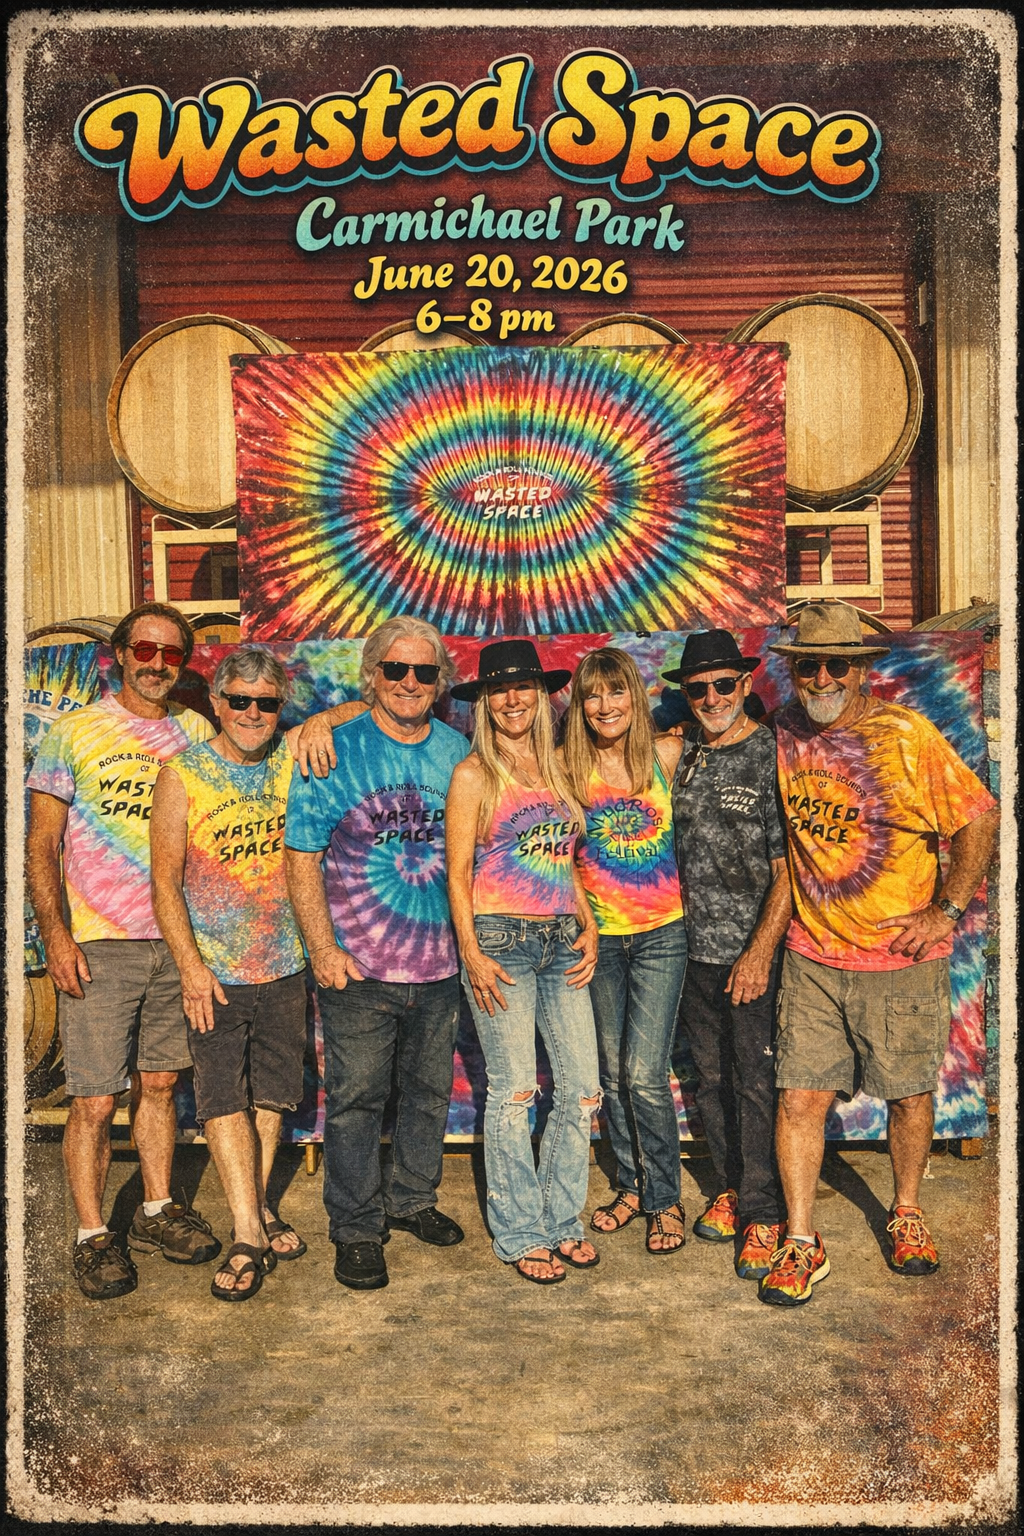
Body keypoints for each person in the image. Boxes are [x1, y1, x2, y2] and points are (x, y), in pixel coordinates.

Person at [760, 601, 999, 1306]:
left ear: (862, 669)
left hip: (899, 957)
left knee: (908, 1094)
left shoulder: (907, 734)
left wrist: (946, 911)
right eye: (809, 665)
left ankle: (906, 1211)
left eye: (838, 664)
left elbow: (977, 817)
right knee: (800, 1098)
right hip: (813, 954)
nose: (823, 677)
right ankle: (802, 1240)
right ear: (794, 671)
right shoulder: (784, 733)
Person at [26, 602, 220, 1300]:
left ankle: (157, 1210)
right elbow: (42, 843)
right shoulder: (74, 733)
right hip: (100, 945)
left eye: (172, 653)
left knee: (162, 1084)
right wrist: (55, 933)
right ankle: (90, 1234)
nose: (158, 662)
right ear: (119, 653)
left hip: (177, 945)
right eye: (145, 648)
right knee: (95, 1100)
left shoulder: (197, 732)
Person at [284, 616, 469, 1292]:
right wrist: (322, 948)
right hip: (357, 969)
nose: (410, 683)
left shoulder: (457, 751)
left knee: (424, 1093)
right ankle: (357, 1227)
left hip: (441, 964)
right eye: (396, 670)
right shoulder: (332, 747)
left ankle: (413, 1199)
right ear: (374, 677)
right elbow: (301, 855)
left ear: (441, 682)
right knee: (358, 1100)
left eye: (424, 672)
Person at [150, 646, 310, 1301]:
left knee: (271, 1097)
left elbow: (368, 704)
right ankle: (248, 1230)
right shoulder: (182, 774)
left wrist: (320, 725)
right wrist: (190, 967)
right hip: (214, 972)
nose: (250, 712)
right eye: (238, 700)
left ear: (280, 708)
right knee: (221, 1100)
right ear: (216, 703)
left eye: (265, 702)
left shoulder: (293, 758)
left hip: (285, 964)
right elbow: (163, 881)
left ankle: (257, 1207)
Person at [447, 640, 602, 1285]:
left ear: (542, 696)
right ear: (485, 702)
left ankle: (564, 1218)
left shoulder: (562, 768)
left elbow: (564, 859)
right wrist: (472, 953)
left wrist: (588, 920)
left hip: (564, 938)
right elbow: (457, 876)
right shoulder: (474, 776)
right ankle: (519, 1230)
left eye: (524, 687)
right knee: (514, 1092)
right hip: (501, 940)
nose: (512, 699)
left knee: (583, 1088)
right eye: (498, 689)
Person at [665, 630, 790, 1281]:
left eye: (723, 684)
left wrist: (759, 952)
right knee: (711, 1081)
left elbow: (787, 867)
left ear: (745, 685)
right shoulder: (682, 754)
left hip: (752, 957)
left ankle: (765, 1214)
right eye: (698, 688)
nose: (711, 696)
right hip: (692, 956)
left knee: (756, 1083)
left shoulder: (772, 755)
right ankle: (736, 1186)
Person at [560, 647, 689, 1255]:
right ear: (580, 705)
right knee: (612, 1074)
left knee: (644, 1074)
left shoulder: (666, 754)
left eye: (616, 693)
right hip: (600, 941)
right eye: (593, 695)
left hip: (663, 934)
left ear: (634, 699)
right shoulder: (564, 768)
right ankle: (632, 1185)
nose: (605, 706)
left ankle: (666, 1199)